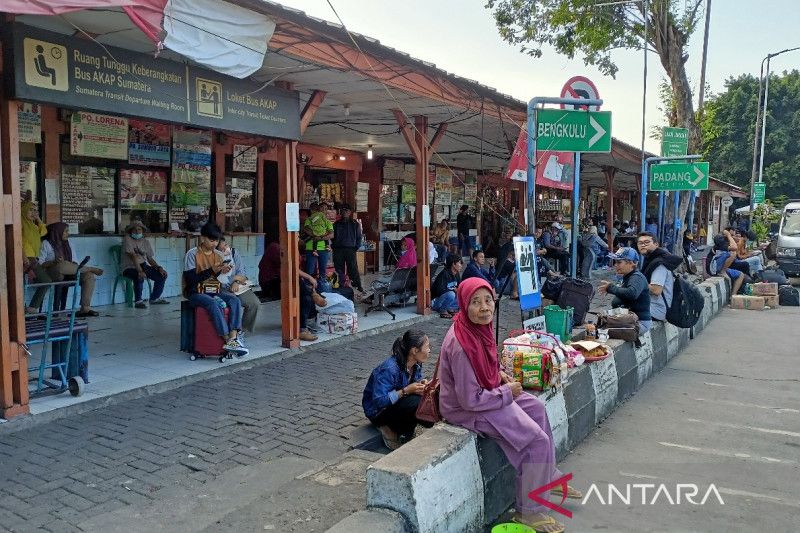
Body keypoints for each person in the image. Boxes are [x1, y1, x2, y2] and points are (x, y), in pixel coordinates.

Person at [438, 278, 578, 532]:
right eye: (476, 302)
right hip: (466, 409)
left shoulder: (476, 328)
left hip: (489, 392)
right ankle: (529, 512)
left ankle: (545, 475)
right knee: (536, 442)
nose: (484, 308)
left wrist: (501, 374)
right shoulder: (461, 344)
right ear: (463, 305)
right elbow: (469, 400)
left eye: (488, 300)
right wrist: (505, 392)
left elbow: (488, 364)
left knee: (537, 409)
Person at [183, 222, 248, 356]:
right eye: (211, 240)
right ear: (203, 238)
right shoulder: (192, 254)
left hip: (213, 289)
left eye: (216, 240)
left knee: (234, 300)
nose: (214, 243)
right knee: (211, 303)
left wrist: (224, 271)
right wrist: (212, 271)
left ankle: (234, 336)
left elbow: (220, 279)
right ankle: (227, 339)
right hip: (195, 292)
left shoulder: (218, 254)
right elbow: (190, 280)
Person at [362, 329, 433, 449]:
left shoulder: (416, 364)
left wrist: (421, 384)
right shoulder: (389, 369)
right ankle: (386, 427)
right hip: (377, 411)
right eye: (427, 347)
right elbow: (379, 401)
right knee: (416, 403)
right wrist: (406, 391)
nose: (429, 350)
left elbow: (414, 381)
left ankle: (403, 431)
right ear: (415, 350)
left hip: (397, 403)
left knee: (428, 400)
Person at [39, 222, 103, 317]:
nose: (68, 234)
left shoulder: (69, 244)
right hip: (52, 272)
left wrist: (71, 266)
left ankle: (85, 308)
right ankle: (90, 268)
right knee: (62, 264)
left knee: (89, 275)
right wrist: (54, 262)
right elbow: (40, 264)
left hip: (68, 272)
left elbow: (74, 263)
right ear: (57, 232)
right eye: (65, 231)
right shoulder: (46, 243)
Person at [598, 247, 652, 333]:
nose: (616, 265)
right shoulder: (628, 276)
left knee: (601, 333)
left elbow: (632, 293)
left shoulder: (637, 277)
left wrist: (611, 288)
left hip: (638, 323)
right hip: (629, 320)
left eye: (619, 262)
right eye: (616, 262)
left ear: (631, 263)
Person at [217, 237, 261, 334]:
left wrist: (236, 282)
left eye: (226, 245)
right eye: (222, 249)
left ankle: (242, 331)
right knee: (234, 302)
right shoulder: (213, 258)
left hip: (238, 285)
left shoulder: (233, 253)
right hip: (222, 288)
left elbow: (242, 273)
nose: (226, 249)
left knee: (254, 303)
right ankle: (231, 331)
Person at [121, 221, 168, 309]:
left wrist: (159, 268)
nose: (137, 231)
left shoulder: (145, 241)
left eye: (139, 229)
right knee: (139, 276)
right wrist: (140, 271)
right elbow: (133, 257)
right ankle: (138, 301)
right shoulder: (127, 239)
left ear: (142, 231)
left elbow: (149, 258)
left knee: (162, 276)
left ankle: (154, 299)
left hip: (143, 265)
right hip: (128, 267)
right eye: (134, 230)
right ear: (131, 231)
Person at [637, 232, 681, 323]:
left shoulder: (659, 264)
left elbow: (656, 290)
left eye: (647, 242)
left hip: (657, 310)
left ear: (656, 244)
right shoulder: (650, 260)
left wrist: (635, 282)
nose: (643, 245)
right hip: (651, 306)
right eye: (640, 243)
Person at [21, 200, 51, 313]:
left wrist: (37, 218)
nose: (33, 213)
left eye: (35, 211)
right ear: (24, 210)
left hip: (33, 257)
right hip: (26, 257)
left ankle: (27, 309)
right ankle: (32, 308)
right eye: (30, 210)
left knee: (22, 284)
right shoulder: (20, 223)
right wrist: (24, 257)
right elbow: (17, 242)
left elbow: (43, 231)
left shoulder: (33, 225)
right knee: (46, 281)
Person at [331, 204, 364, 294]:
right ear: (341, 212)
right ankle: (339, 287)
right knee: (338, 269)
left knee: (353, 269)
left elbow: (359, 238)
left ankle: (357, 287)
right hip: (338, 250)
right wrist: (334, 247)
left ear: (350, 212)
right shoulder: (336, 224)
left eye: (347, 210)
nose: (345, 212)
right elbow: (332, 237)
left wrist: (355, 248)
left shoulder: (355, 224)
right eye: (343, 210)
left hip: (350, 249)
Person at [303, 202, 334, 280]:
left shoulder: (327, 221)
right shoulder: (309, 219)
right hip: (311, 249)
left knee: (323, 271)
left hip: (324, 249)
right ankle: (309, 290)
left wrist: (320, 237)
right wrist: (316, 234)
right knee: (310, 270)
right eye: (322, 208)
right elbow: (306, 229)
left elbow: (331, 235)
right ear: (317, 209)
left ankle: (322, 288)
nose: (324, 210)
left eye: (326, 209)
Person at [709, 232, 746, 296]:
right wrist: (728, 235)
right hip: (714, 269)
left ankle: (733, 295)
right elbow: (735, 247)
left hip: (719, 267)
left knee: (741, 275)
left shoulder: (723, 246)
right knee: (733, 253)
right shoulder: (720, 246)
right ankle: (722, 271)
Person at [431, 254, 462, 318]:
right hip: (436, 302)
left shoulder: (456, 274)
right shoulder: (444, 274)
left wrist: (458, 289)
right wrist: (453, 289)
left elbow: (459, 287)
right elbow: (439, 291)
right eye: (459, 263)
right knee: (451, 294)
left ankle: (450, 308)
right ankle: (442, 310)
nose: (461, 265)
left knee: (462, 292)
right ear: (453, 264)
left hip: (448, 301)